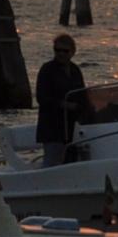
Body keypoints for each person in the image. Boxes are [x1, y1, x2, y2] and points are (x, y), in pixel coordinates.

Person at [35, 34, 85, 164]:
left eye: (65, 51)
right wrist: (63, 104)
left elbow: (82, 93)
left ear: (73, 52)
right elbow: (41, 97)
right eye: (57, 50)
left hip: (72, 128)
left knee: (73, 163)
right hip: (52, 128)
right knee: (52, 163)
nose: (61, 54)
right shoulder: (47, 69)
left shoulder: (75, 70)